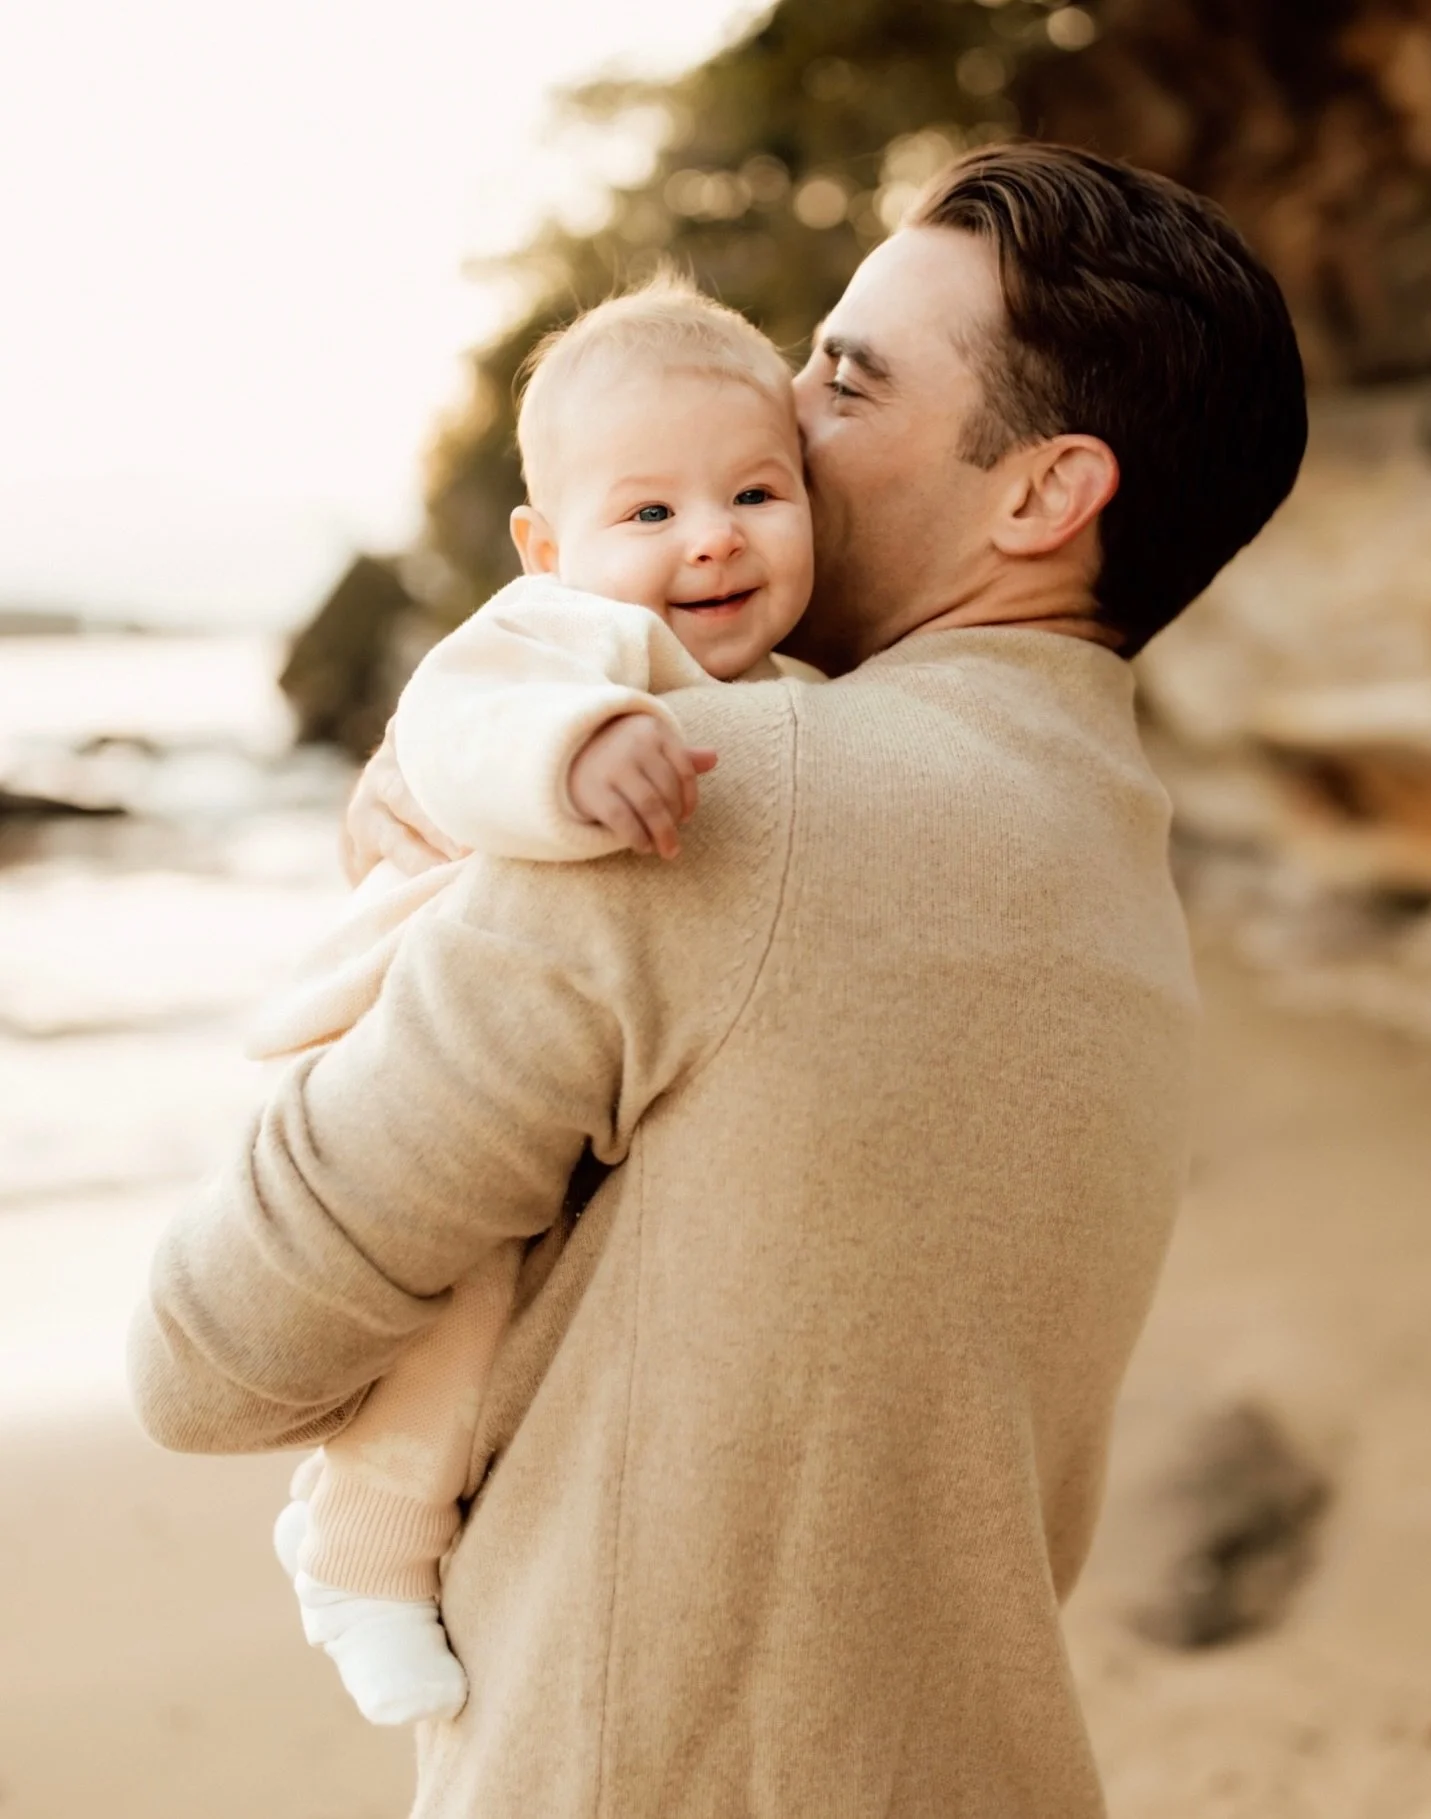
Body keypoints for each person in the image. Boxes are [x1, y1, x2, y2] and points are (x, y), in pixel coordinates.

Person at [130, 143, 1307, 1816]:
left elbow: (211, 1348)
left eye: (845, 377)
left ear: (1044, 495)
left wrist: (438, 873)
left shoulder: (710, 795)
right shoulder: (1124, 888)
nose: (777, 409)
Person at [254, 277, 821, 1726]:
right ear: (546, 545)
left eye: (757, 490)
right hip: (407, 1025)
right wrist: (572, 756)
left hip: (559, 1051)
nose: (711, 535)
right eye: (650, 514)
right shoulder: (566, 641)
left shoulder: (804, 683)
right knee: (465, 1294)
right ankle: (361, 1547)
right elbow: (453, 725)